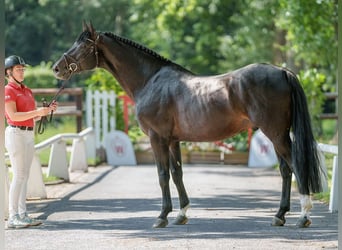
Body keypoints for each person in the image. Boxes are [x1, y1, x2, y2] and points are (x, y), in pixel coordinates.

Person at [4, 55, 58, 229]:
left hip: (28, 134)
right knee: (18, 176)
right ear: (9, 72)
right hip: (16, 134)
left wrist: (46, 110)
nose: (22, 71)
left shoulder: (26, 90)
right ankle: (13, 217)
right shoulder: (7, 90)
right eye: (18, 69)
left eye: (23, 69)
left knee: (24, 176)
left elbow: (31, 113)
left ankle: (23, 214)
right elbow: (13, 116)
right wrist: (37, 112)